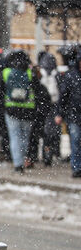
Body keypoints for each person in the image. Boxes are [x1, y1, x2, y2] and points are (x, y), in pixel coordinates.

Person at [0, 49, 38, 173]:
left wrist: (1, 108)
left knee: (14, 136)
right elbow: (37, 90)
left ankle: (18, 163)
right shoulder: (30, 73)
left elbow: (0, 92)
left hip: (11, 109)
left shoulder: (6, 72)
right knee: (25, 137)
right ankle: (24, 158)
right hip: (28, 109)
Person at [56, 45, 81, 178]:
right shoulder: (71, 76)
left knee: (76, 141)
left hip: (74, 113)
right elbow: (63, 96)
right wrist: (59, 113)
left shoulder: (71, 76)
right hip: (74, 115)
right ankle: (77, 167)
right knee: (75, 141)